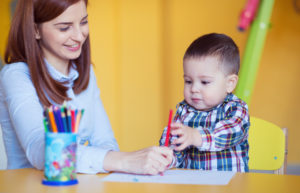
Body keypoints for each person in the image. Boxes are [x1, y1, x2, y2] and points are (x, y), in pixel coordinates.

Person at [0, 0, 173, 175]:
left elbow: (106, 143)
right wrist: (124, 160)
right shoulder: (16, 75)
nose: (79, 35)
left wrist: (116, 159)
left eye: (83, 22)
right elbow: (41, 151)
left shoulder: (85, 72)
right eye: (64, 27)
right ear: (35, 30)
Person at [160, 33, 250, 172]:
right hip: (192, 185)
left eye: (205, 82)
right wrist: (168, 157)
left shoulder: (236, 108)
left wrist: (195, 136)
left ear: (229, 84)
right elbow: (178, 153)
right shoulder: (184, 112)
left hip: (230, 186)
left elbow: (232, 132)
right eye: (188, 81)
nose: (194, 89)